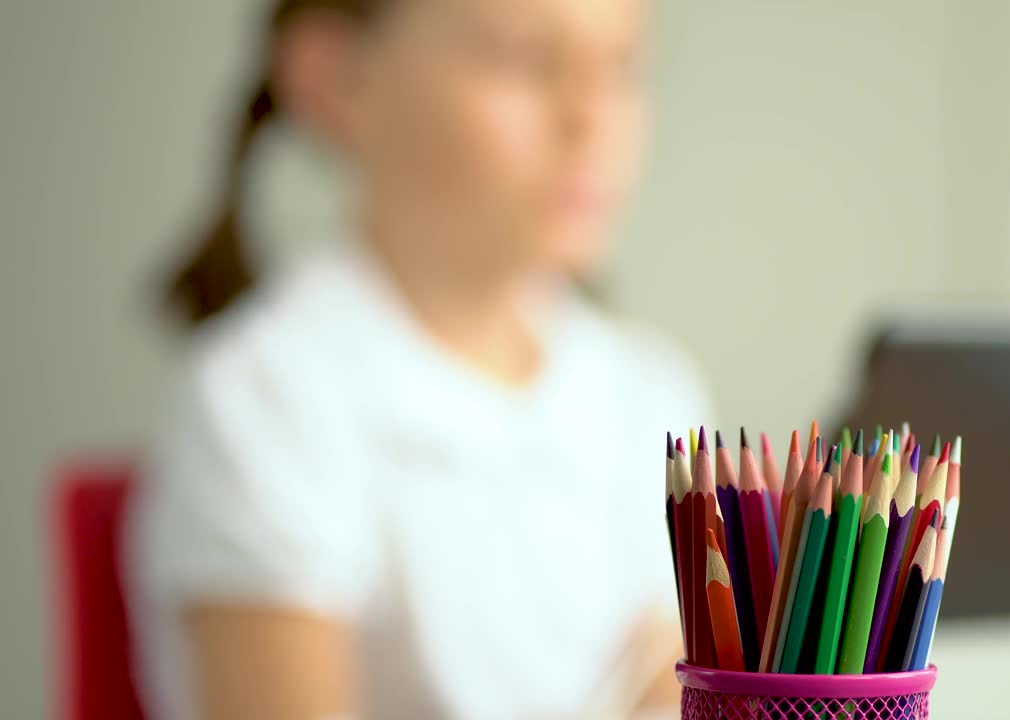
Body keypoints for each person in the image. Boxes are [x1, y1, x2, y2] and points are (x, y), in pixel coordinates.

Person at [127, 0, 710, 718]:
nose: (593, 119)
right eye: (523, 58)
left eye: (624, 68)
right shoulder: (268, 399)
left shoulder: (650, 394)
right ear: (338, 78)